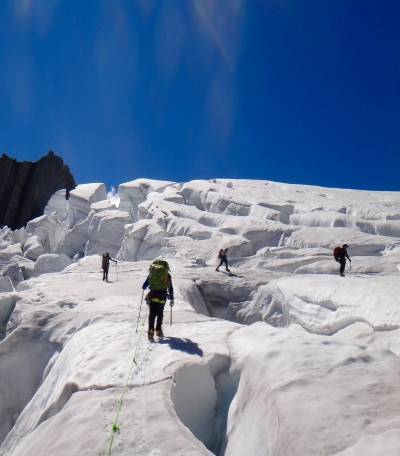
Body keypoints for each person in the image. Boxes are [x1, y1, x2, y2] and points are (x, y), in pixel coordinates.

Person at [142, 260, 174, 339]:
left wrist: (144, 287)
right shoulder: (167, 275)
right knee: (160, 313)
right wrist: (172, 298)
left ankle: (150, 331)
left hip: (153, 296)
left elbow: (144, 285)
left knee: (152, 313)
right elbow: (170, 288)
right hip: (162, 297)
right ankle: (158, 330)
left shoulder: (152, 273)